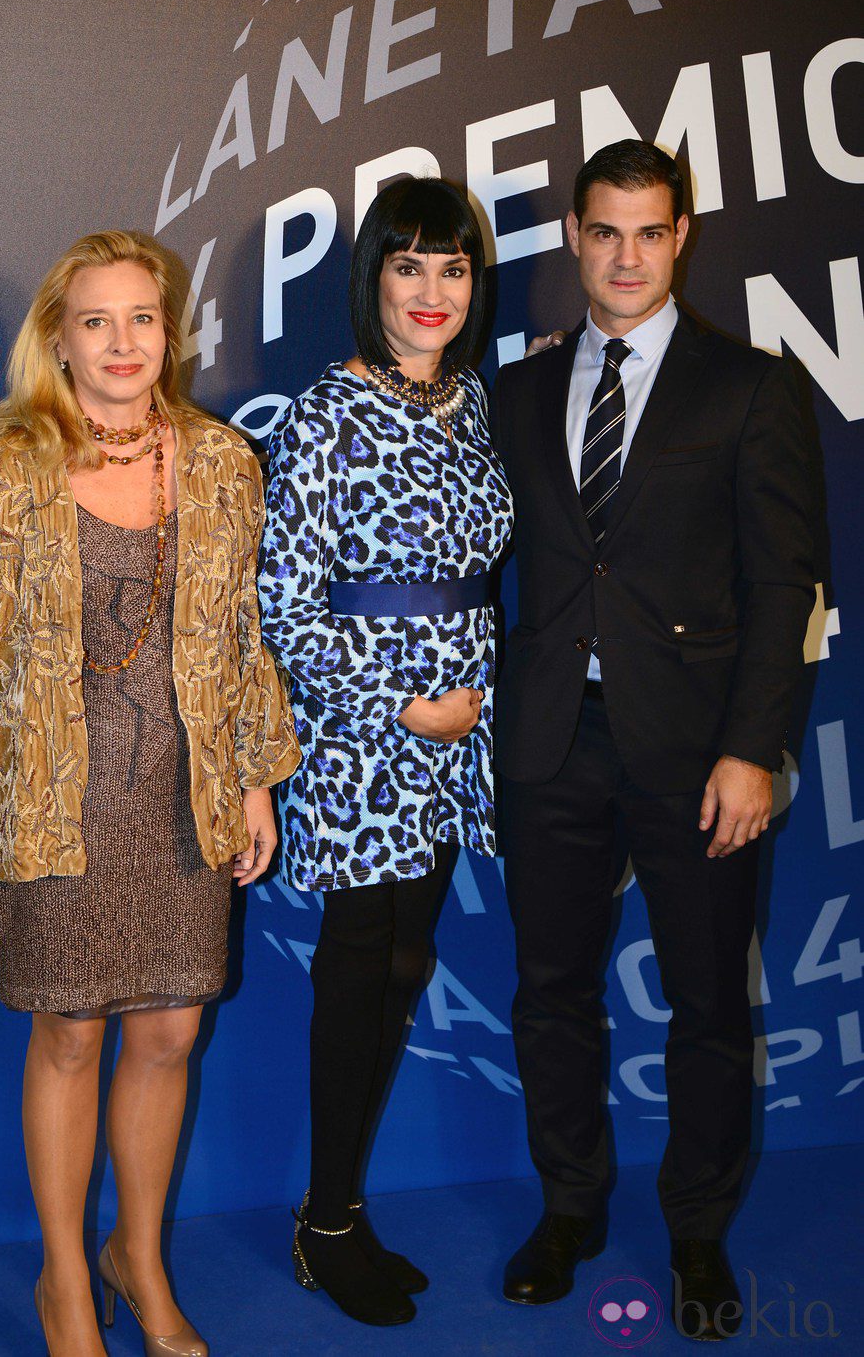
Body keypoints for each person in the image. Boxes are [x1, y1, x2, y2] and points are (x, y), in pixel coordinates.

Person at [0, 231, 299, 1357]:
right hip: (50, 795)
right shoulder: (12, 465)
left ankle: (140, 1255)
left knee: (170, 1030)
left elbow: (239, 635)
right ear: (58, 338)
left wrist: (258, 783)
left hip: (184, 795)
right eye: (96, 320)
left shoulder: (221, 462)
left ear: (169, 332)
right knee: (70, 1034)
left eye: (142, 318)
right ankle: (66, 1280)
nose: (123, 342)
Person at [491, 141, 815, 1342]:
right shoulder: (517, 393)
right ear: (574, 238)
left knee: (706, 1007)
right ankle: (569, 1207)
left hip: (696, 752)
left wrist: (752, 749)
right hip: (547, 742)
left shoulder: (747, 386)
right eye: (603, 231)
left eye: (648, 231)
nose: (624, 256)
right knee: (550, 994)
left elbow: (783, 585)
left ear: (679, 238)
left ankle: (694, 1230)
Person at [257, 176, 513, 1327]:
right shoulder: (324, 412)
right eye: (406, 265)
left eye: (451, 267)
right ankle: (322, 1226)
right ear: (371, 279)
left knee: (402, 969)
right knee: (359, 973)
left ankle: (345, 1210)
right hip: (367, 746)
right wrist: (402, 705)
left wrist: (462, 712)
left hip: (456, 748)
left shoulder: (474, 407)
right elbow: (284, 608)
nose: (429, 290)